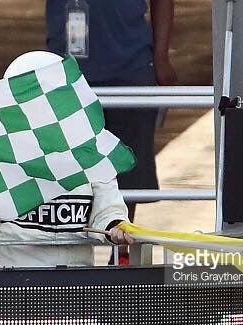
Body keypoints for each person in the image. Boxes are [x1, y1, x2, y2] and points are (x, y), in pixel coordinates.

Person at [0, 51, 134, 267]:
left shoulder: (91, 151)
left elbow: (108, 212)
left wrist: (116, 227)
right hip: (11, 285)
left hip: (76, 285)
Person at [46, 0, 177, 264]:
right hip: (67, 69)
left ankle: (122, 255)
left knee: (127, 168)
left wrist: (161, 56)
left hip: (131, 65)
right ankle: (70, 259)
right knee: (68, 170)